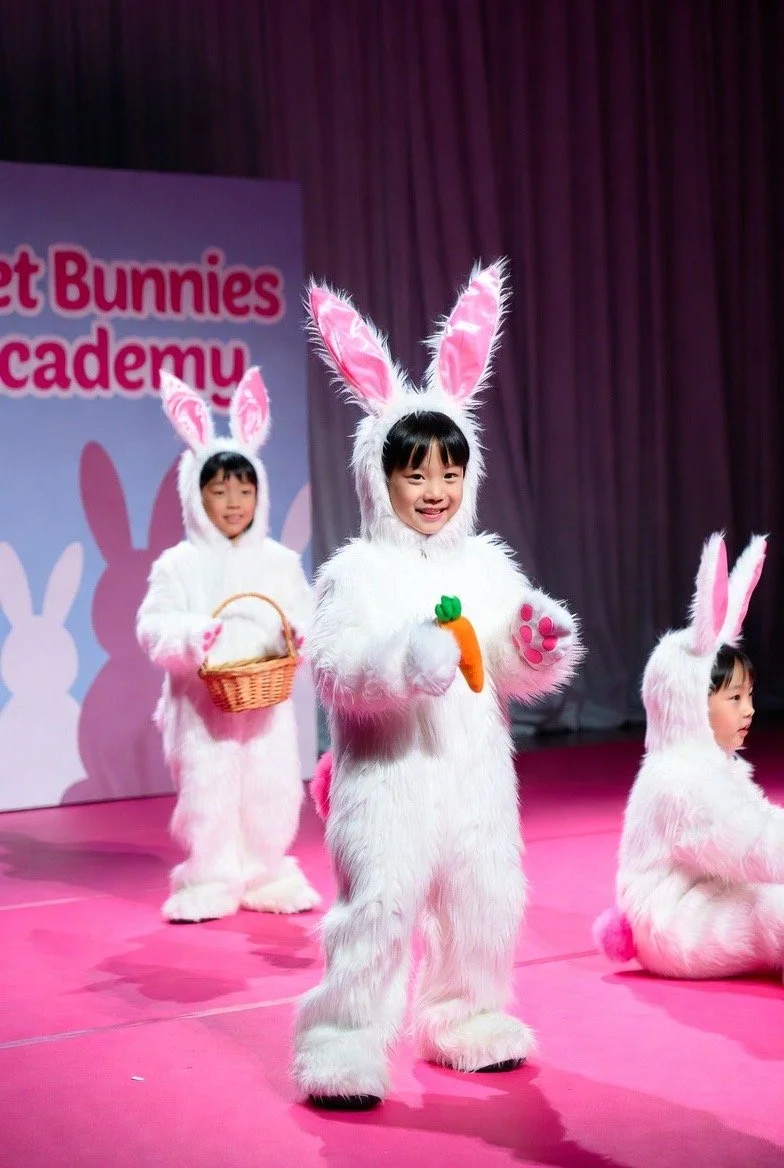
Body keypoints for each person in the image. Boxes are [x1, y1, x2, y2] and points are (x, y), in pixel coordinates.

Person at [292, 262, 582, 1109]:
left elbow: (507, 664)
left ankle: (465, 1015)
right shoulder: (356, 572)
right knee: (377, 909)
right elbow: (338, 668)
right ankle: (343, 1040)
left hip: (476, 779)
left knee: (486, 896)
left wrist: (536, 640)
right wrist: (401, 662)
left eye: (448, 474)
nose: (433, 490)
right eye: (414, 474)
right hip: (387, 783)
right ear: (379, 480)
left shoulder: (487, 564)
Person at [136, 367, 320, 923]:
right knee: (208, 789)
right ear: (197, 495)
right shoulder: (179, 565)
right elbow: (152, 626)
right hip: (201, 705)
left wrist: (299, 634)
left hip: (265, 700)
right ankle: (209, 876)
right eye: (219, 490)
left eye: (245, 489)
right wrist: (192, 637)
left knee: (271, 784)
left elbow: (305, 616)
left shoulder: (279, 562)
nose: (234, 501)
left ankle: (266, 870)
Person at [593, 532, 784, 980]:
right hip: (676, 922)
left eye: (749, 695)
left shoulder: (707, 762)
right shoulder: (679, 780)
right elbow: (753, 843)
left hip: (709, 886)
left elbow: (756, 826)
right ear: (690, 701)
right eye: (734, 697)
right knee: (773, 911)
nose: (749, 709)